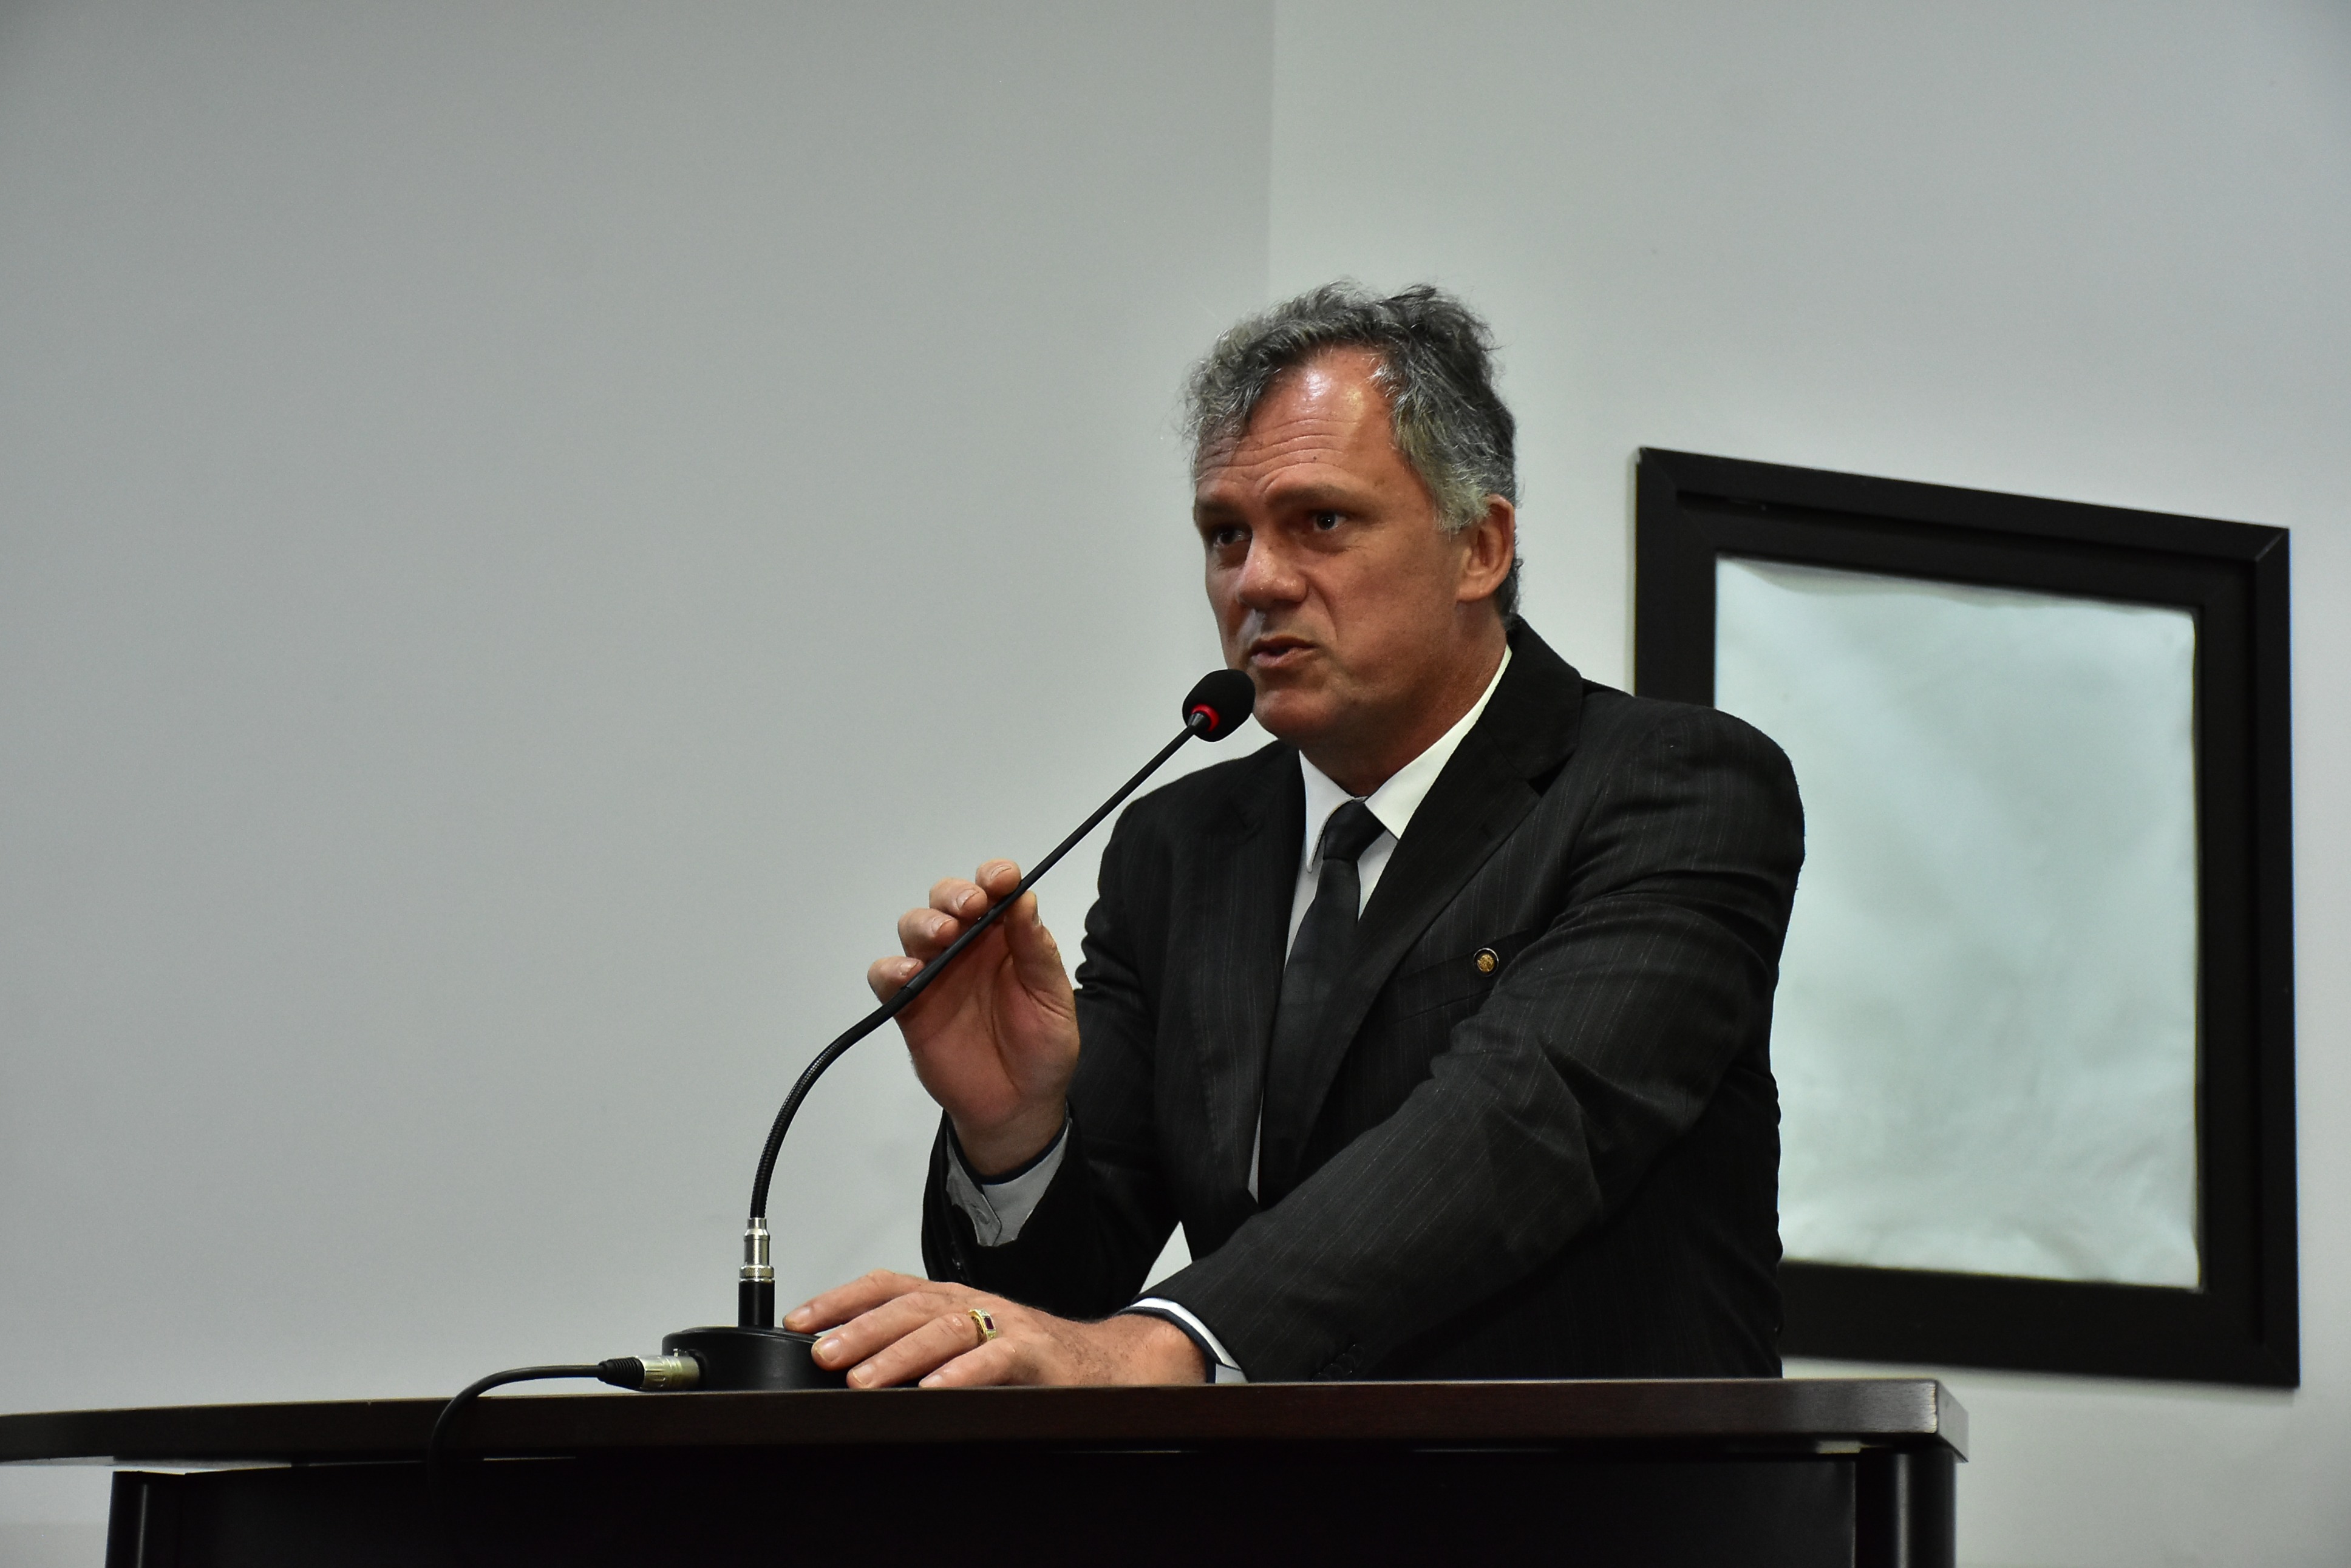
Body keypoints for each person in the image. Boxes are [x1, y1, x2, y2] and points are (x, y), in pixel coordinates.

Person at [784, 283, 1803, 1387]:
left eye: (1320, 521)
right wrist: (1016, 1135)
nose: (1257, 581)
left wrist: (1173, 1340)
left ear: (1480, 547)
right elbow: (1064, 1321)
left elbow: (1520, 1124)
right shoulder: (1179, 848)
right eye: (1225, 534)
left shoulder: (1671, 786)